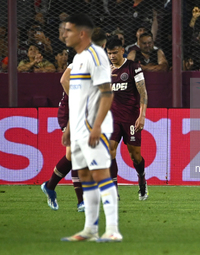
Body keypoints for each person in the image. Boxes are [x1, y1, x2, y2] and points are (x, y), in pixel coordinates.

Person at [60, 13, 122, 242]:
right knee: (85, 175)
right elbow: (78, 96)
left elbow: (107, 93)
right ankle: (90, 229)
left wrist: (96, 126)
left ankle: (113, 229)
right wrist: (69, 126)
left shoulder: (96, 57)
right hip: (77, 128)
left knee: (100, 174)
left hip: (93, 128)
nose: (64, 34)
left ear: (82, 33)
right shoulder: (78, 59)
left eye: (68, 30)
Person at [41, 27, 109, 212]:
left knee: (74, 155)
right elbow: (64, 80)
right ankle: (80, 201)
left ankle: (51, 186)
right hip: (71, 111)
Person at [106, 37, 149, 200]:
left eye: (114, 53)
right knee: (109, 151)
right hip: (111, 119)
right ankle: (113, 191)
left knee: (135, 156)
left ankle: (142, 179)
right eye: (109, 53)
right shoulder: (105, 70)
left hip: (131, 118)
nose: (112, 56)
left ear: (122, 50)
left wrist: (142, 115)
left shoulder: (133, 67)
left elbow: (143, 92)